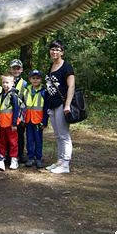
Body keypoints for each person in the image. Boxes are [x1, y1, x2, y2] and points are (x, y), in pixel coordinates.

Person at [44, 39, 75, 174]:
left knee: (64, 135)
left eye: (57, 49)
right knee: (57, 135)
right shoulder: (50, 67)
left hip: (62, 105)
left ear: (62, 52)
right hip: (52, 105)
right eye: (52, 49)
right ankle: (59, 161)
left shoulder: (66, 66)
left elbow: (71, 86)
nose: (54, 51)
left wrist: (67, 104)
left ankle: (65, 164)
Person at [23, 69, 48, 168]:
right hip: (28, 120)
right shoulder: (27, 90)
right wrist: (23, 119)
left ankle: (38, 158)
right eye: (33, 78)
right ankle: (30, 157)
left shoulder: (44, 91)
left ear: (41, 79)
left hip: (38, 120)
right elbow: (23, 106)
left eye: (38, 78)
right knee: (29, 139)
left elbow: (46, 108)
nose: (35, 80)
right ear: (30, 79)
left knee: (38, 140)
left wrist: (45, 121)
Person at [0, 74, 22, 170]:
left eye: (7, 82)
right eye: (3, 82)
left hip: (11, 124)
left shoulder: (13, 95)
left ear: (12, 83)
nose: (5, 84)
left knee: (13, 142)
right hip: (3, 124)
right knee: (2, 141)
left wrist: (14, 123)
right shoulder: (1, 94)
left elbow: (16, 109)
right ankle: (2, 157)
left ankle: (14, 159)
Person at [9, 59, 29, 164]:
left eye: (17, 68)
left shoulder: (24, 83)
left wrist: (24, 116)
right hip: (9, 113)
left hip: (20, 114)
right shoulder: (7, 81)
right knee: (9, 134)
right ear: (10, 69)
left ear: (21, 70)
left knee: (20, 134)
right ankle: (10, 154)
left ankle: (20, 154)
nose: (16, 70)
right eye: (13, 68)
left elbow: (27, 100)